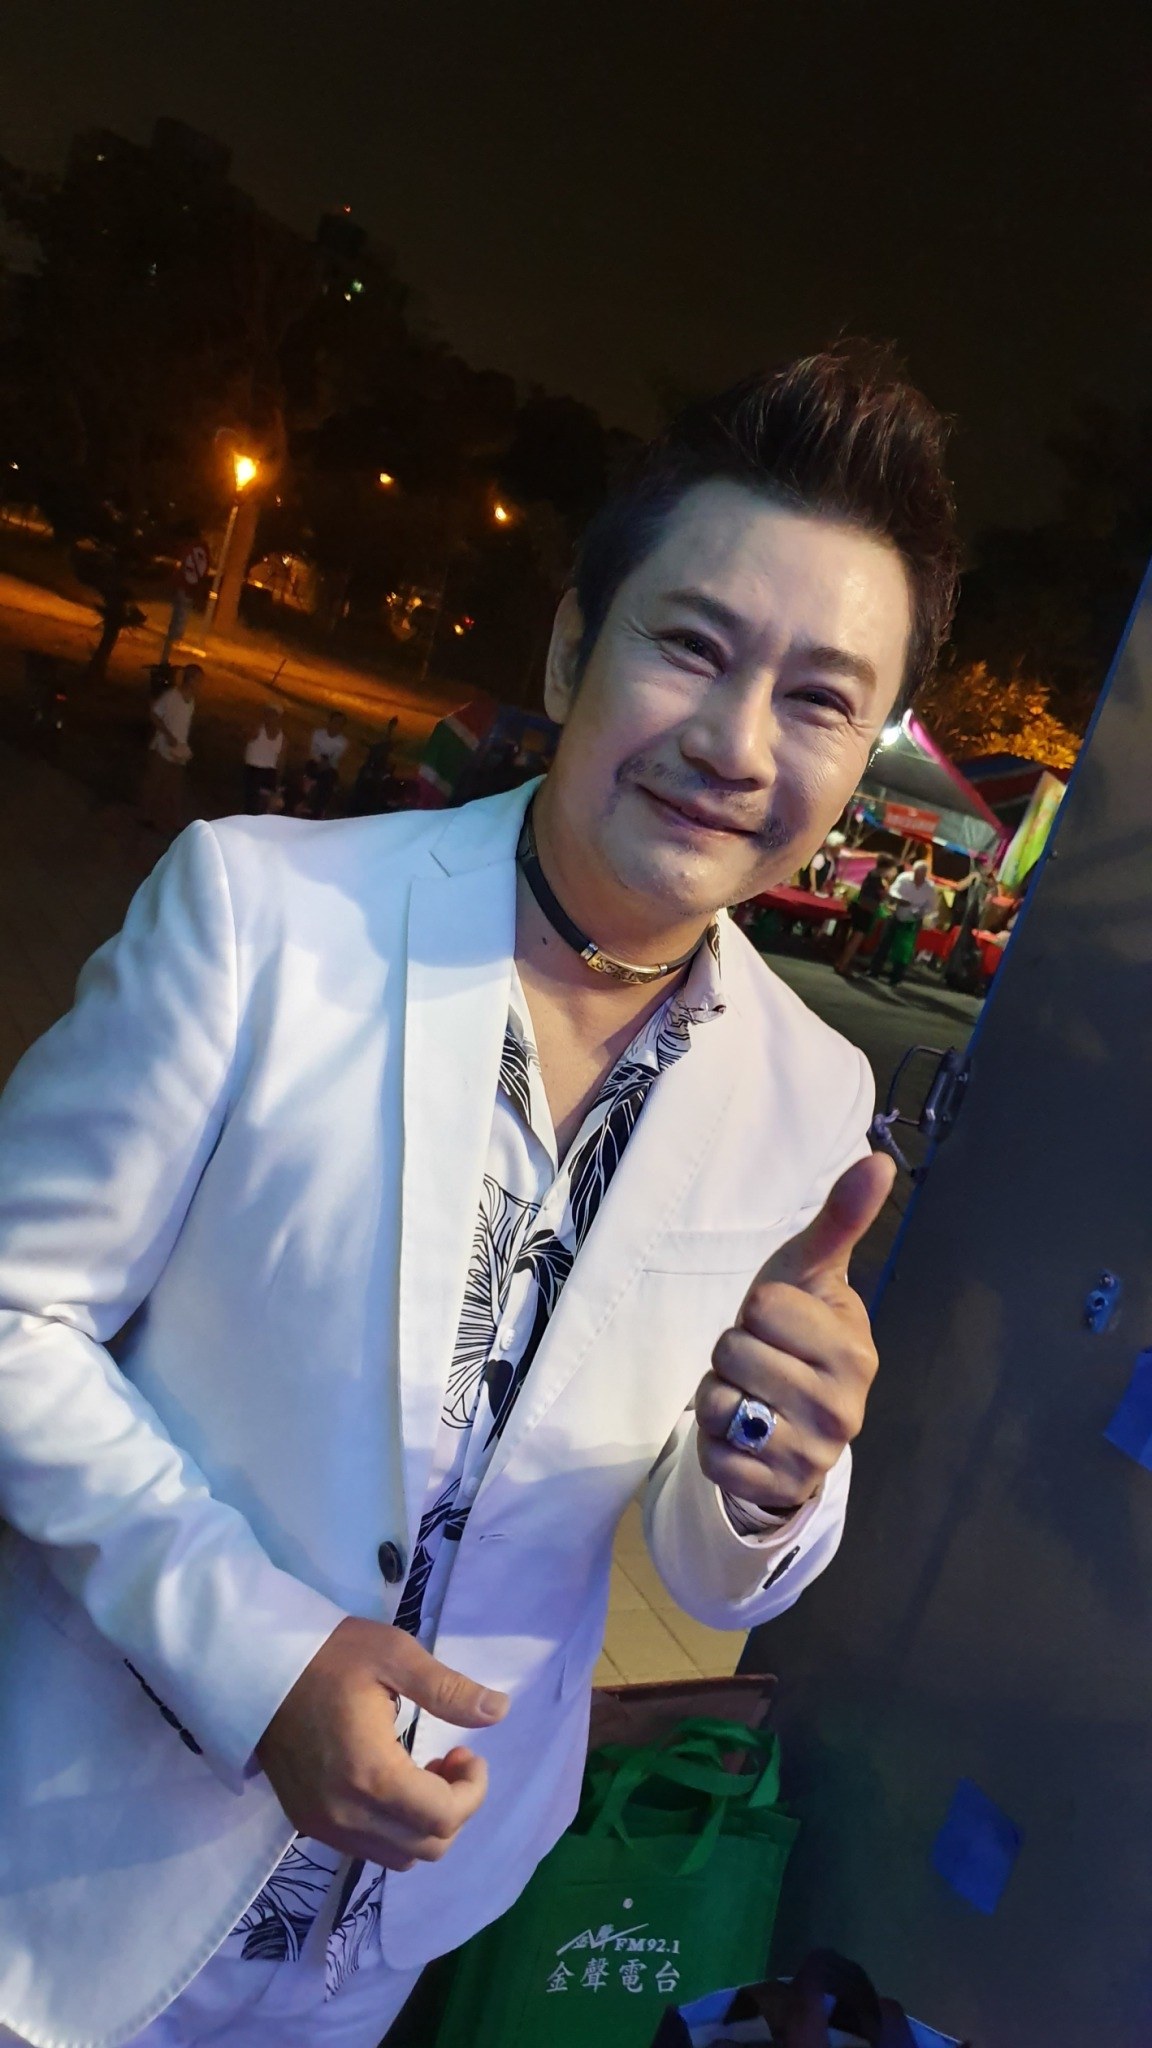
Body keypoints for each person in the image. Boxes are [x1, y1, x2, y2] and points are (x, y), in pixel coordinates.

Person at [0, 345, 960, 2048]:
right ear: (575, 646)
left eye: (819, 699)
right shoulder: (263, 917)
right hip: (68, 1870)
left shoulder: (810, 1091)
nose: (736, 743)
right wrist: (260, 1660)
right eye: (692, 645)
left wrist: (774, 1477)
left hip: (398, 1922)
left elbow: (704, 1561)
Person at [139, 662, 201, 837]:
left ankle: (167, 821)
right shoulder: (172, 696)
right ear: (190, 680)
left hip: (178, 750)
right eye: (198, 680)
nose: (200, 685)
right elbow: (154, 714)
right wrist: (167, 735)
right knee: (155, 783)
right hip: (163, 747)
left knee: (173, 787)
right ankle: (147, 816)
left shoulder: (191, 701)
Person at [867, 856, 939, 987]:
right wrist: (900, 899)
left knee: (904, 950)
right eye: (917, 874)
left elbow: (932, 906)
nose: (918, 878)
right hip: (896, 913)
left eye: (921, 875)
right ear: (914, 871)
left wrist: (922, 912)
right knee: (884, 943)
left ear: (925, 875)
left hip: (913, 920)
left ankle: (896, 978)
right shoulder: (904, 878)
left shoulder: (929, 887)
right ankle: (874, 970)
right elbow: (893, 890)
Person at [835, 854, 899, 975]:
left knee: (853, 938)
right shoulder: (877, 879)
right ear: (886, 867)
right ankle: (843, 965)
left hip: (860, 908)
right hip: (866, 911)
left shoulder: (872, 874)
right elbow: (883, 896)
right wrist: (895, 898)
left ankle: (841, 962)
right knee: (856, 940)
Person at [297, 710, 350, 819]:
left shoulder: (343, 742)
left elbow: (335, 758)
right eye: (335, 722)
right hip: (315, 762)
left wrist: (326, 763)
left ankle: (318, 809)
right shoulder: (318, 733)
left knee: (328, 779)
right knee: (312, 771)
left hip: (329, 767)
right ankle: (304, 802)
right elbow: (313, 751)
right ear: (329, 722)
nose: (336, 726)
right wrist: (320, 761)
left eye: (340, 724)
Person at [243, 701, 287, 815]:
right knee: (253, 801)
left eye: (273, 714)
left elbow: (281, 761)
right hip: (253, 769)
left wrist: (278, 782)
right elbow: (247, 737)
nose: (270, 717)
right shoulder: (257, 729)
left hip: (269, 773)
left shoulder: (282, 738)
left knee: (268, 802)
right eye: (268, 713)